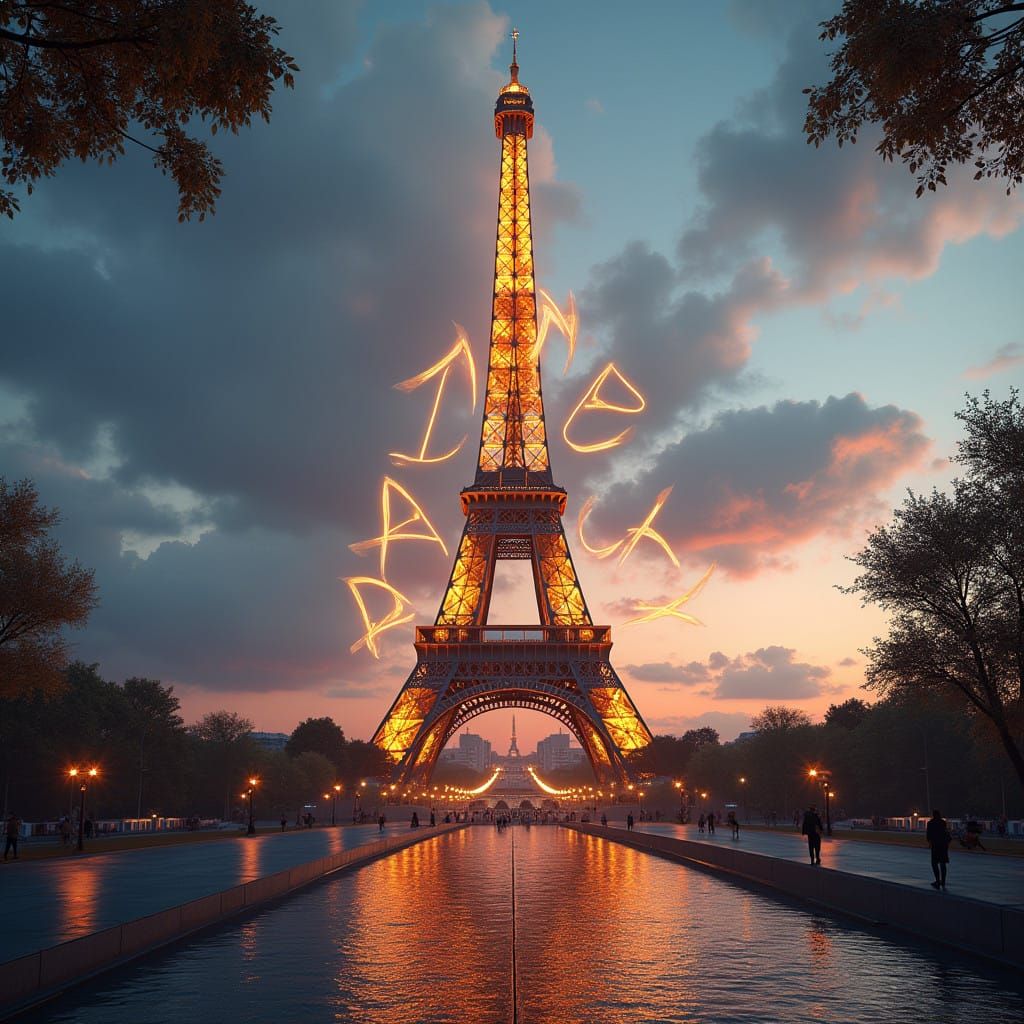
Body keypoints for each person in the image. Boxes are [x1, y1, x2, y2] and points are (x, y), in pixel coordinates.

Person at [926, 809, 951, 890]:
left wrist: (930, 843)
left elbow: (928, 835)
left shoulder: (930, 823)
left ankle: (937, 880)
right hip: (943, 845)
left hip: (935, 845)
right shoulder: (943, 822)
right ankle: (943, 881)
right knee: (942, 863)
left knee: (934, 863)